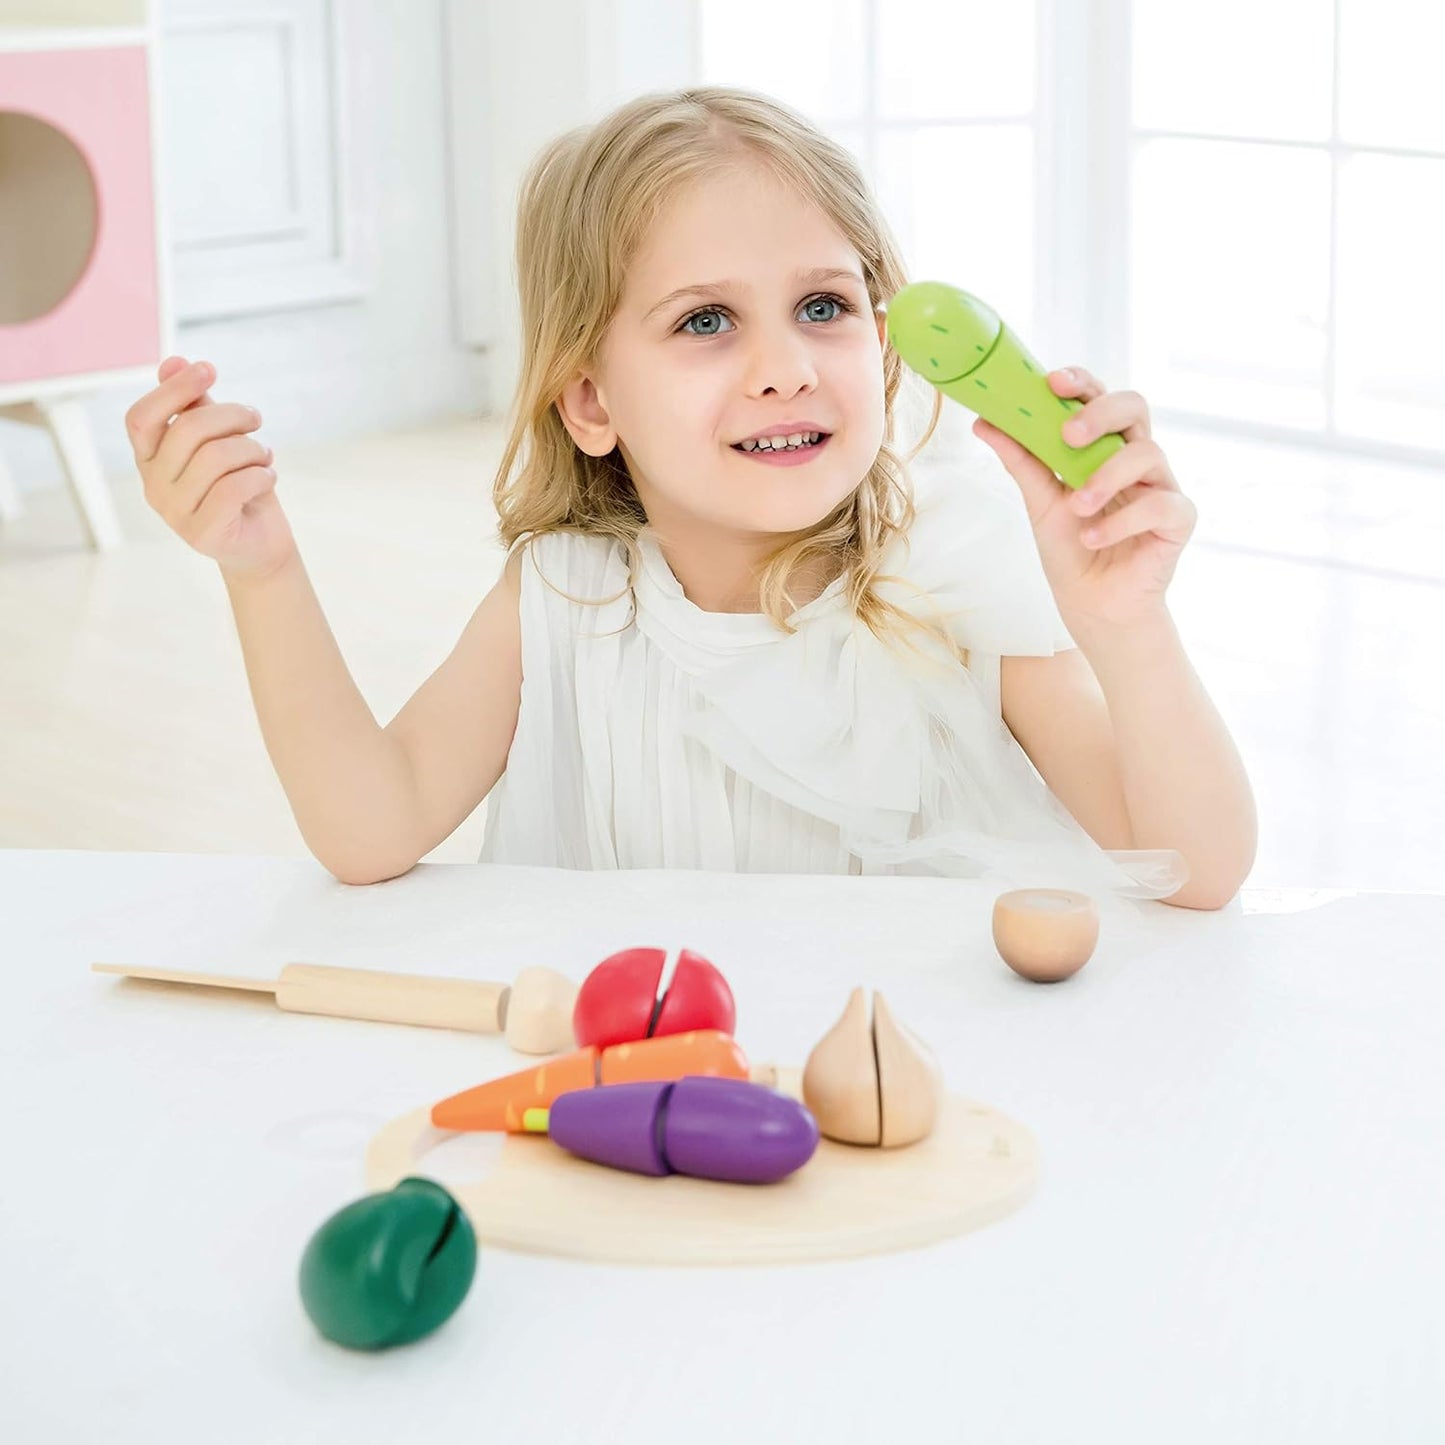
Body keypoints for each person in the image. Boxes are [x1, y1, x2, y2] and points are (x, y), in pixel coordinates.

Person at [124, 86, 1256, 912]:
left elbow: (1195, 867)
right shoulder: (562, 599)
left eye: (823, 305)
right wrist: (262, 568)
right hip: (647, 1126)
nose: (785, 365)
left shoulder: (953, 577)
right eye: (704, 321)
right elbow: (367, 830)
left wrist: (1125, 628)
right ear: (588, 399)